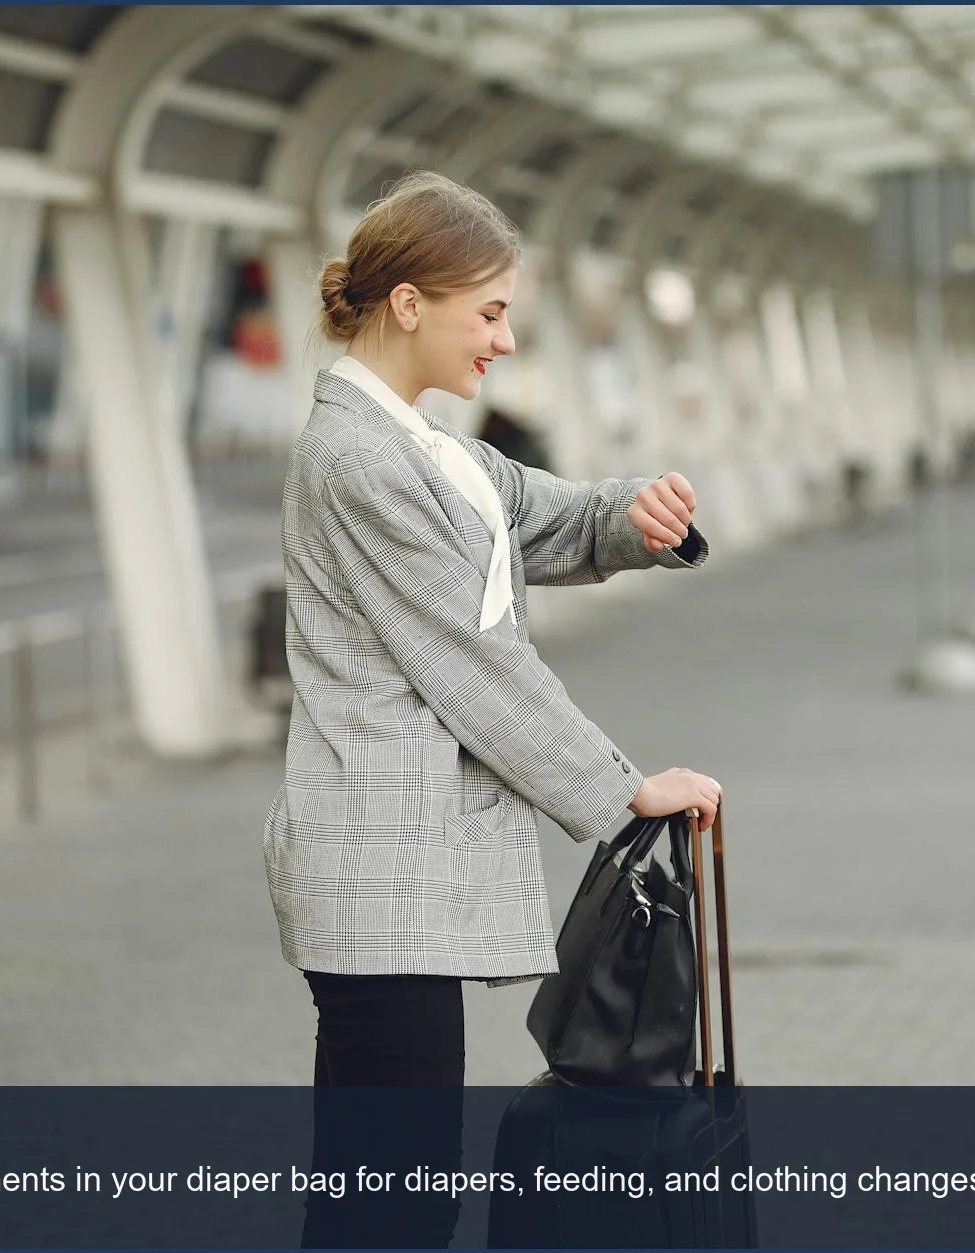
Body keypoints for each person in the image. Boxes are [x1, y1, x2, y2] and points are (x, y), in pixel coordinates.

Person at [261, 170, 723, 1246]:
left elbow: (547, 514)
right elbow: (470, 661)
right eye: (491, 311)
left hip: (401, 884)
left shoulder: (430, 451)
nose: (504, 341)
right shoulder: (354, 457)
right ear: (410, 302)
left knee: (392, 1196)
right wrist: (621, 789)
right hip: (376, 882)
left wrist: (635, 515)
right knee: (387, 1202)